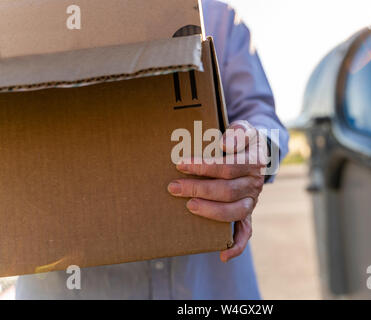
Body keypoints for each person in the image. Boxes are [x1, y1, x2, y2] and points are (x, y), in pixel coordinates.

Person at [16, 0, 289, 300]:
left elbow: (267, 122)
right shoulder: (25, 20)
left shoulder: (218, 16)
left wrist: (259, 153)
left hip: (211, 289)